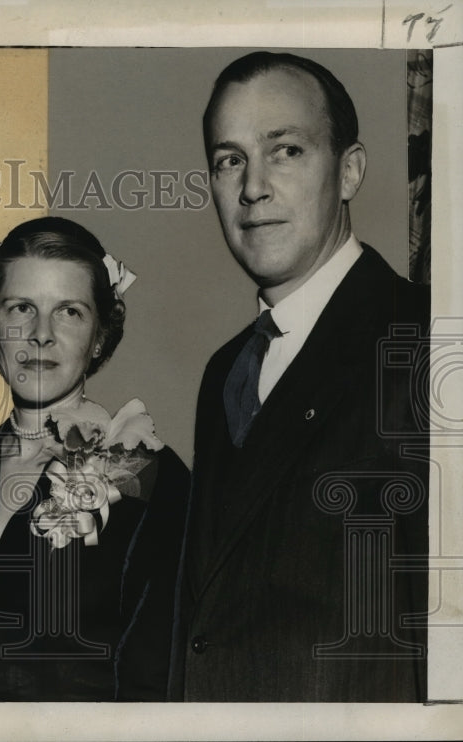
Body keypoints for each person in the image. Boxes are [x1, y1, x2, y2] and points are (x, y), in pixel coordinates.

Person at [173, 52, 430, 702]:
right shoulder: (225, 370)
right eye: (229, 159)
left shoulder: (424, 338)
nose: (252, 186)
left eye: (284, 150)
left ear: (349, 171)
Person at [0, 216, 190, 701]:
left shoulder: (148, 473)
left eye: (68, 311)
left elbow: (158, 674)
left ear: (100, 338)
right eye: (20, 307)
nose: (40, 334)